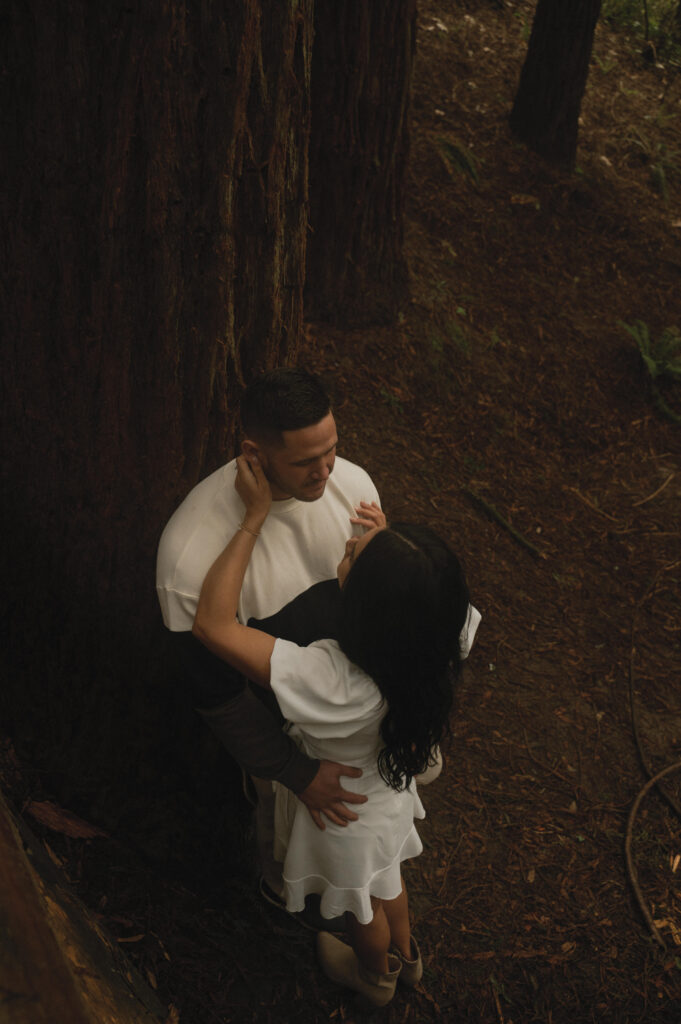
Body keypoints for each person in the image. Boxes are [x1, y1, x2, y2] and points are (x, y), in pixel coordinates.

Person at [192, 453, 477, 1007]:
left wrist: (252, 518)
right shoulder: (444, 637)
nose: (346, 549)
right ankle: (409, 959)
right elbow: (422, 600)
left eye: (352, 557)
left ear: (368, 608)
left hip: (343, 812)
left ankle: (374, 975)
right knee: (389, 878)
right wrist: (394, 553)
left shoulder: (333, 681)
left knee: (360, 907)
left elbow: (212, 624)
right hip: (388, 794)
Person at [156, 368, 383, 915]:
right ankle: (282, 890)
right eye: (307, 461)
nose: (327, 471)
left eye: (332, 449)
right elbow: (219, 699)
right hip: (279, 743)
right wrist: (296, 774)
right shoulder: (189, 554)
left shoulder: (353, 488)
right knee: (283, 841)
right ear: (254, 453)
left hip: (359, 724)